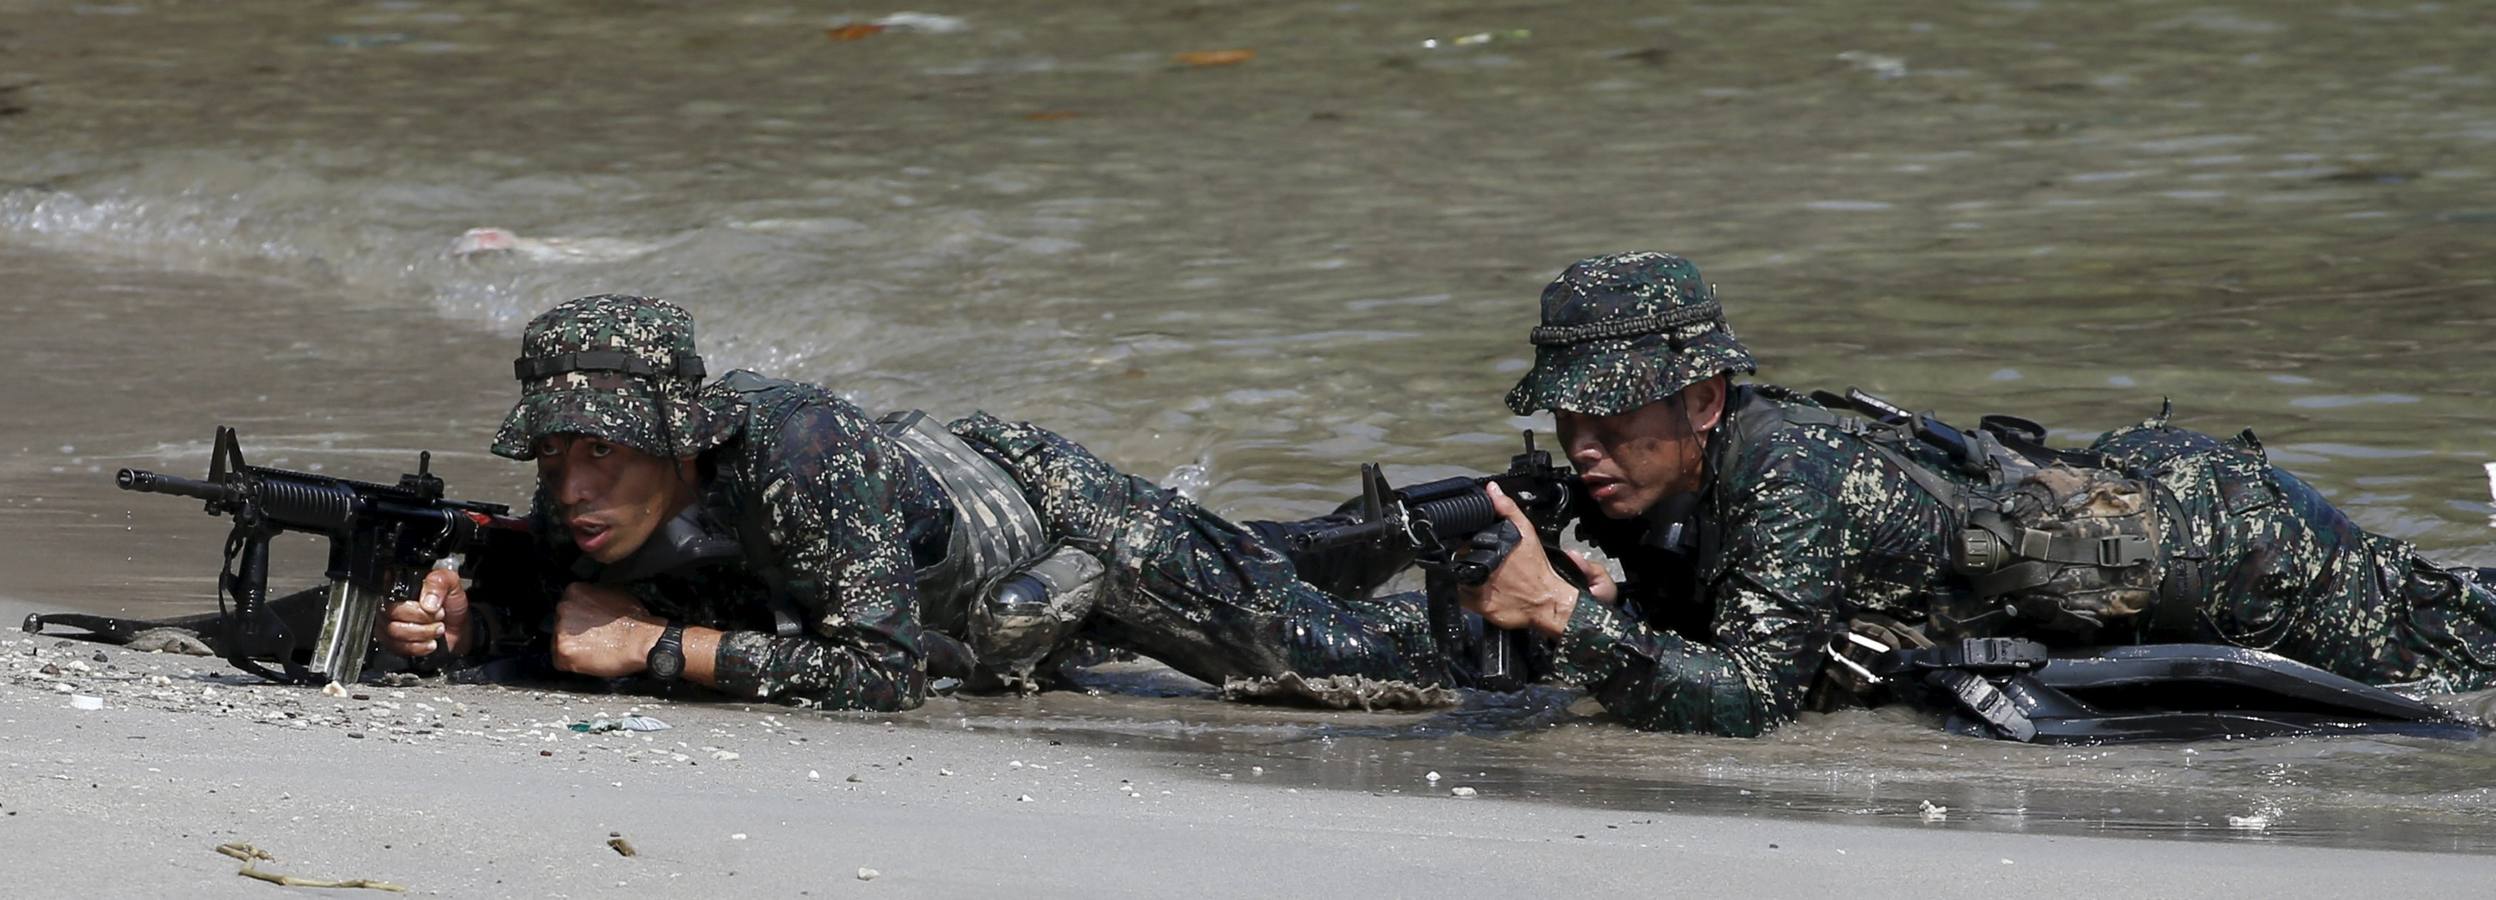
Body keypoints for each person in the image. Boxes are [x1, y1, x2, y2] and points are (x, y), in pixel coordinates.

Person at [1457, 251, 2496, 737]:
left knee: (2469, 656)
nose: (1584, 447)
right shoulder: (1679, 482)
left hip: (2237, 551)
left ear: (1702, 398)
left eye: (1612, 420)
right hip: (2141, 521)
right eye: (1569, 421)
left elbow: (1746, 699)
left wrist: (1555, 611)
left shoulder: (1789, 471)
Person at [381, 294, 1446, 710]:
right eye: (556, 453)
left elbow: (881, 674)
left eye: (606, 452)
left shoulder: (799, 455)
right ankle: (1358, 541)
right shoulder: (584, 490)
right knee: (1279, 567)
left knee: (1327, 654)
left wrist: (659, 649)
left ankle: (1505, 581)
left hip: (1058, 517)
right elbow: (570, 614)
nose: (574, 486)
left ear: (676, 439)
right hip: (963, 589)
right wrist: (471, 623)